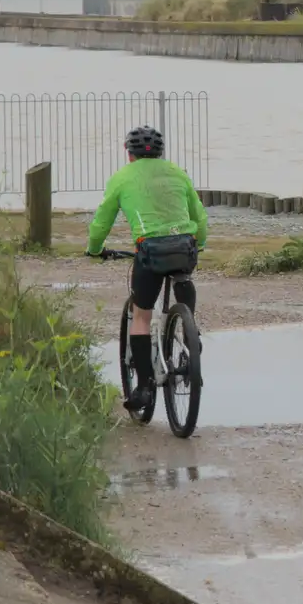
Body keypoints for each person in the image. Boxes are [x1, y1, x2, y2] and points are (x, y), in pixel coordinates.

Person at [86, 125, 208, 412]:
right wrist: (199, 243)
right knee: (183, 277)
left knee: (141, 316)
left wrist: (94, 249)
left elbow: (102, 221)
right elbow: (198, 216)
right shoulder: (178, 172)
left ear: (129, 154)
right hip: (184, 247)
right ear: (161, 153)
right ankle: (191, 330)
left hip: (151, 250)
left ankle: (143, 387)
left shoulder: (121, 178)